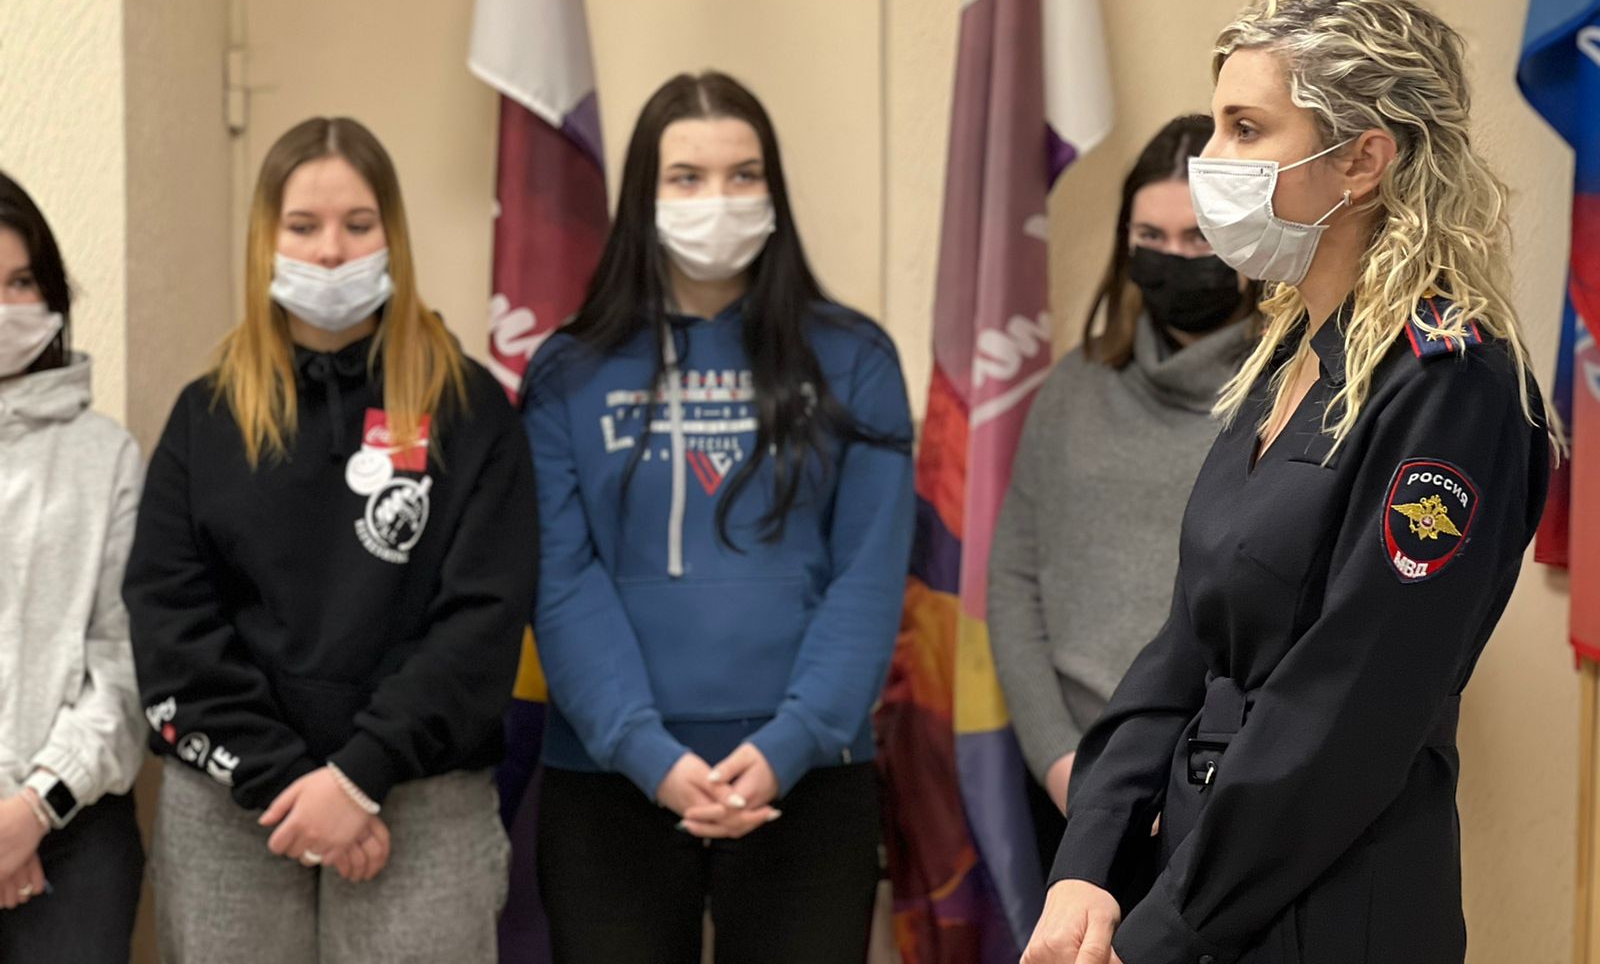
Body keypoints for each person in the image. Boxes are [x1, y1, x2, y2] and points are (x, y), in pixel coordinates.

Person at [1022, 0, 1552, 964]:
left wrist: (1162, 932)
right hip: (1204, 877)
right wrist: (1087, 863)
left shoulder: (1452, 384)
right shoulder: (1285, 359)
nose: (1209, 161)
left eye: (1245, 128)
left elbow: (1351, 708)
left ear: (1361, 161)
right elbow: (1187, 642)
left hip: (1327, 900)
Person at [123, 116, 538, 963]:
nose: (330, 251)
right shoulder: (208, 416)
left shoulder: (468, 410)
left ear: (393, 235)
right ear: (264, 241)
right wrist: (288, 784)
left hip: (421, 796)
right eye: (303, 226)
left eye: (357, 224)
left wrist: (358, 777)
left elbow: (483, 619)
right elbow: (170, 621)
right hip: (235, 800)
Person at [526, 71, 914, 964]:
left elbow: (867, 576)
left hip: (809, 775)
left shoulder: (855, 358)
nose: (718, 200)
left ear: (773, 191)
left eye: (744, 175)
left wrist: (789, 744)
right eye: (687, 177)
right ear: (643, 196)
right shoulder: (566, 371)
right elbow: (562, 581)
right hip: (610, 778)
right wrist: (646, 754)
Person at [988, 114, 1255, 850]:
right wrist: (1061, 764)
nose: (1176, 257)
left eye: (1200, 238)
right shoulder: (1074, 387)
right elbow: (1013, 581)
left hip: (1228, 797)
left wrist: (1209, 789)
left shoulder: (1297, 395)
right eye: (1151, 237)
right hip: (1072, 783)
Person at [0, 172, 145, 961]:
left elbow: (123, 665)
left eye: (20, 282)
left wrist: (30, 810)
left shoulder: (107, 456)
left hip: (72, 831)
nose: (4, 306)